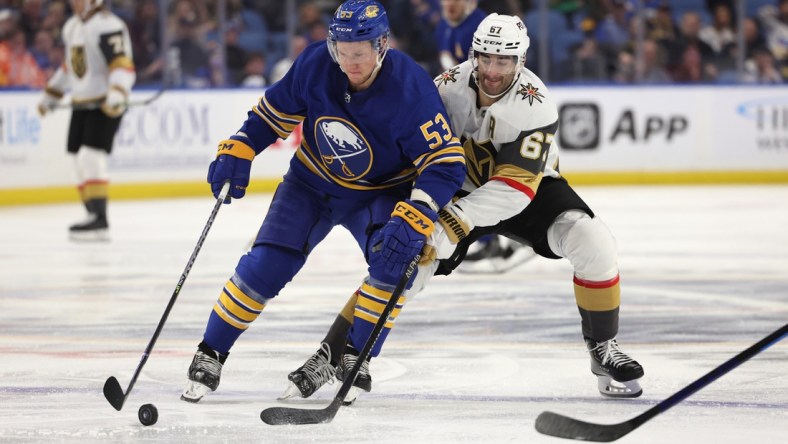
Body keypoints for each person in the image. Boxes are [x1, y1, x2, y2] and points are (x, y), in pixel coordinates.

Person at [283, 13, 644, 404]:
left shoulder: (535, 105)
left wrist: (455, 221)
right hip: (454, 190)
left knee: (593, 241)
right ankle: (334, 355)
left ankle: (603, 348)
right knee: (405, 261)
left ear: (520, 61)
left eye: (503, 60)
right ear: (473, 54)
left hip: (525, 192)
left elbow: (515, 187)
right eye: (485, 58)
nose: (492, 70)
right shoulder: (445, 88)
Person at [180, 0, 466, 403]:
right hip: (310, 184)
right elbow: (270, 116)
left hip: (379, 192)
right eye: (341, 51)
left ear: (382, 45)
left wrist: (419, 209)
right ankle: (210, 352)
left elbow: (445, 163)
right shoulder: (316, 62)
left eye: (359, 53)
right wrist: (242, 145)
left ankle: (355, 356)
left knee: (395, 258)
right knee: (266, 264)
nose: (349, 62)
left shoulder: (411, 88)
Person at [37, 0, 136, 241]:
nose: (73, 2)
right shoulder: (72, 27)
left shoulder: (108, 25)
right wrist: (52, 93)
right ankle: (92, 214)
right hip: (81, 104)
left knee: (91, 156)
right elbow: (71, 66)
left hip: (104, 102)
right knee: (76, 159)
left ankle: (100, 218)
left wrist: (117, 92)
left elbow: (121, 63)